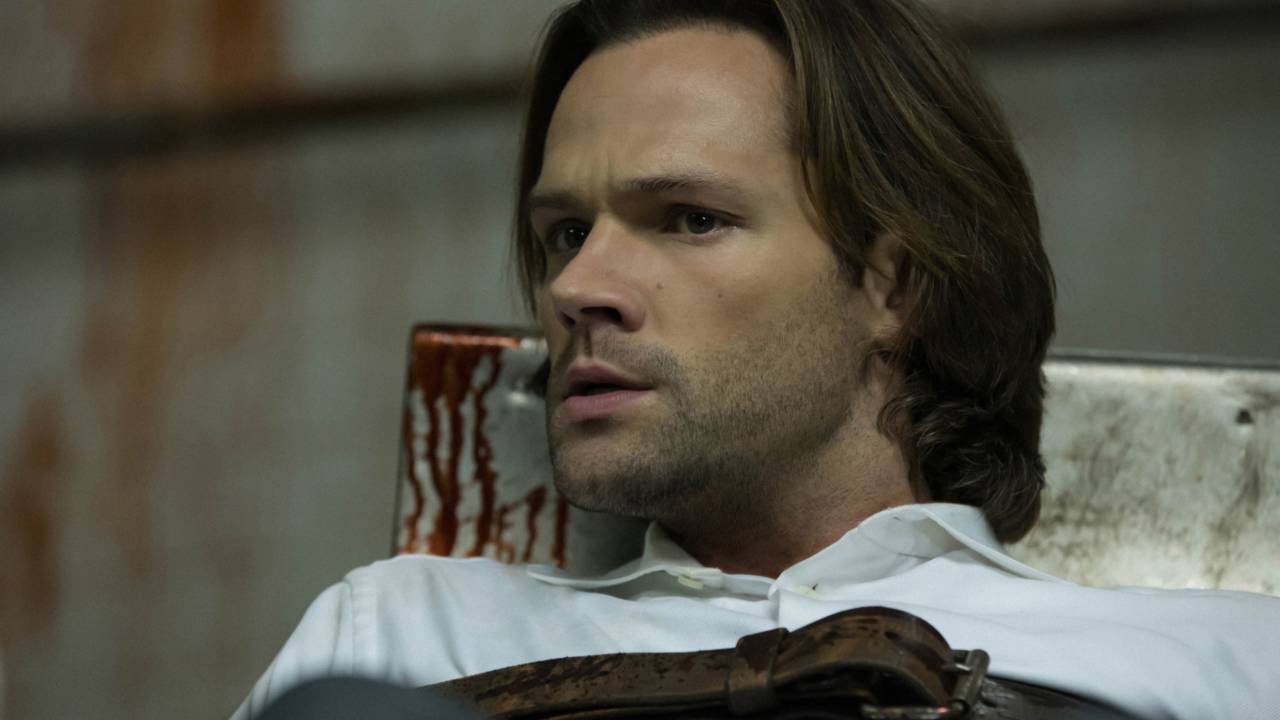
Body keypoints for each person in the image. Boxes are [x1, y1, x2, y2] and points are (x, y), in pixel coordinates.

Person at [232, 1, 1280, 718]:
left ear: (897, 287)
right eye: (565, 232)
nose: (577, 285)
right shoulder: (400, 640)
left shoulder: (1219, 667)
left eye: (690, 218)